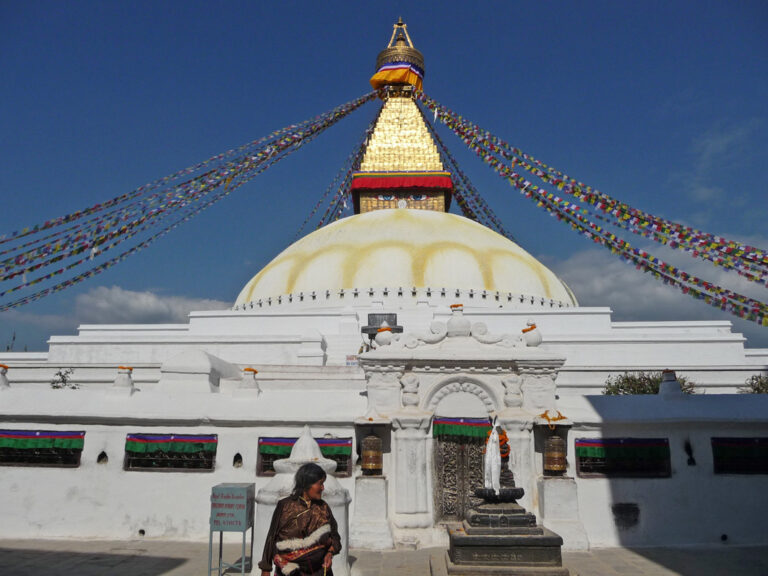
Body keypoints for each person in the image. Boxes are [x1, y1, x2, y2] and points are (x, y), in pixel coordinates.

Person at [259, 463, 341, 576]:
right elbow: (271, 537)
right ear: (306, 484)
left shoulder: (323, 507)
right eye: (320, 484)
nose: (323, 488)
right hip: (290, 572)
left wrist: (330, 553)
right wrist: (265, 569)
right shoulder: (284, 506)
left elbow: (335, 536)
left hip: (320, 571)